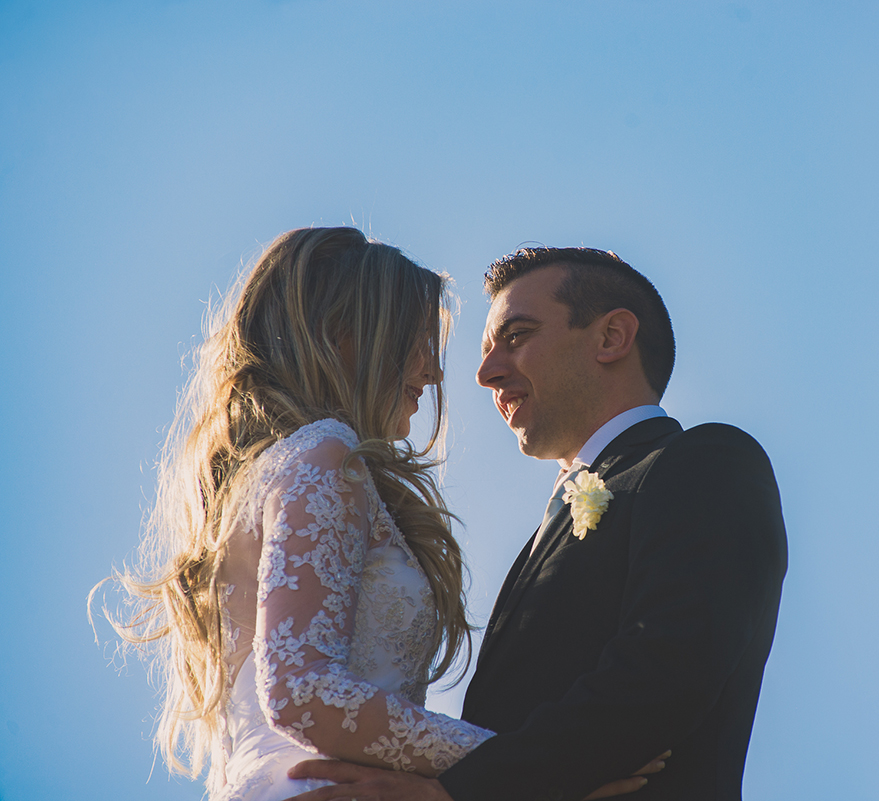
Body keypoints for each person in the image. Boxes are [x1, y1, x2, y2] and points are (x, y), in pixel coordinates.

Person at [98, 230, 648, 801]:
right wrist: (532, 768)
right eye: (413, 339)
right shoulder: (323, 453)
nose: (433, 371)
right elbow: (302, 690)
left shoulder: (270, 469)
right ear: (344, 336)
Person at [288, 247, 788, 800]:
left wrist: (458, 793)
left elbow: (667, 668)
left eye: (517, 336)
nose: (485, 373)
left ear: (611, 338)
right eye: (486, 350)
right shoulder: (541, 538)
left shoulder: (707, 461)